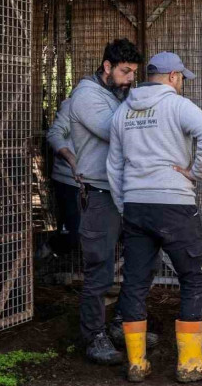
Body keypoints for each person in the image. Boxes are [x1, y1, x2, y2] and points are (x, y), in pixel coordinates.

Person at [107, 52, 202, 382]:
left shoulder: (122, 112)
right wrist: (196, 174)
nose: (182, 83)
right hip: (173, 205)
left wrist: (125, 204)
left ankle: (136, 363)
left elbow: (114, 166)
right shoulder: (177, 105)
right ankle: (189, 362)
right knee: (194, 277)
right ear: (173, 76)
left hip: (135, 206)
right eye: (182, 78)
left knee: (134, 281)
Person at [68, 38, 144, 365]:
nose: (130, 79)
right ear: (107, 67)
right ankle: (94, 336)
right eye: (125, 72)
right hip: (100, 193)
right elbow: (114, 131)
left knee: (144, 262)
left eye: (134, 73)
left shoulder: (118, 95)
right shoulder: (86, 96)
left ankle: (121, 325)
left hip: (128, 192)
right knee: (99, 269)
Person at [45, 97, 80, 258]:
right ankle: (47, 251)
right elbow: (54, 133)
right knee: (71, 234)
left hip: (98, 180)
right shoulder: (73, 103)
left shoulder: (114, 102)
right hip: (68, 179)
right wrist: (71, 159)